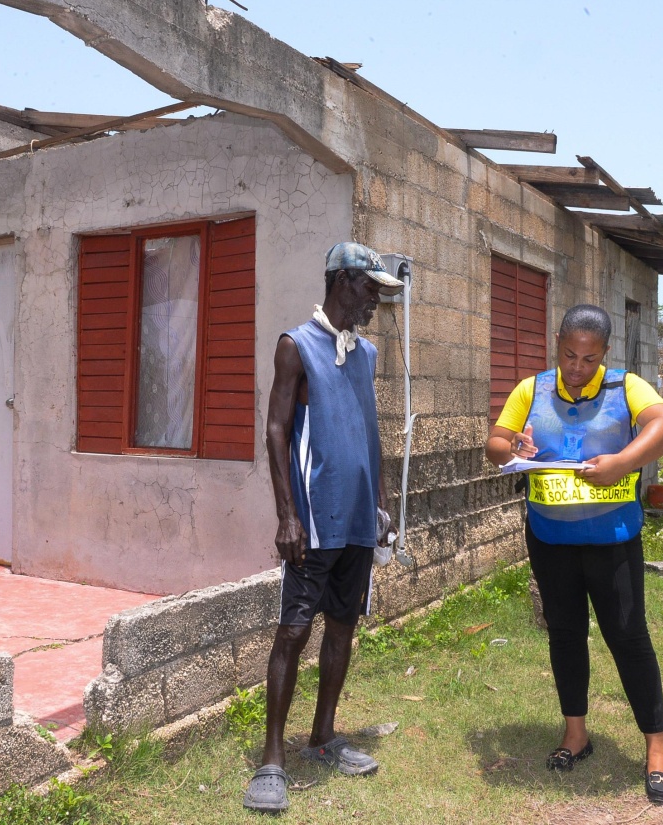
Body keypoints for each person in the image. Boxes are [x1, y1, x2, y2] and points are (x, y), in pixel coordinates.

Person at [485, 304, 663, 806]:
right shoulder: (531, 389)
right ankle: (576, 734)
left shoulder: (626, 386)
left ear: (605, 354)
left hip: (612, 539)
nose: (576, 368)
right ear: (557, 343)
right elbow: (496, 444)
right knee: (566, 635)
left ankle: (656, 749)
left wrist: (623, 462)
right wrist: (514, 450)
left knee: (628, 637)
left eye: (589, 359)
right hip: (551, 538)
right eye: (569, 355)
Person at [243, 242, 402, 814]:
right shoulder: (297, 345)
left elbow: (371, 432)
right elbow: (276, 431)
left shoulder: (366, 354)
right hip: (313, 520)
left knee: (342, 627)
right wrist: (287, 514)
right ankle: (272, 759)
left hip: (358, 519)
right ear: (342, 282)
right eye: (370, 290)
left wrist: (381, 506)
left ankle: (324, 737)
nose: (375, 303)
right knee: (294, 629)